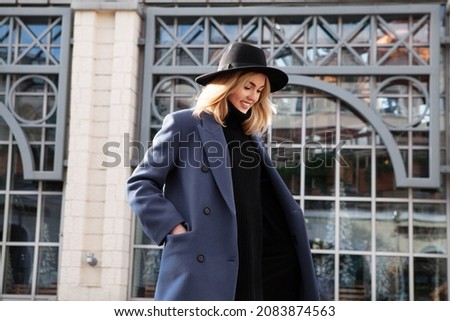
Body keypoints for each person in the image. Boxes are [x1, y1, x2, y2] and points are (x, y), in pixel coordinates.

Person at [126, 42, 320, 301]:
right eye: (248, 86)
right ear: (228, 83)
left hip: (254, 258)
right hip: (205, 260)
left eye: (260, 90)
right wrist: (174, 228)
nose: (253, 96)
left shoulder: (252, 138)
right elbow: (140, 184)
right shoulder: (185, 124)